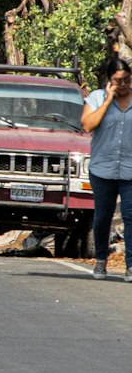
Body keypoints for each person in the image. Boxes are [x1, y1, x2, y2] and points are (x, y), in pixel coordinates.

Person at [81, 56, 132, 279]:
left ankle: (130, 266)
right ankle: (101, 261)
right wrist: (107, 101)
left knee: (131, 217)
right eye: (117, 81)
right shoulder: (96, 97)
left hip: (130, 169)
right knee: (103, 216)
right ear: (108, 80)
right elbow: (88, 125)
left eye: (127, 80)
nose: (122, 85)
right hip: (102, 168)